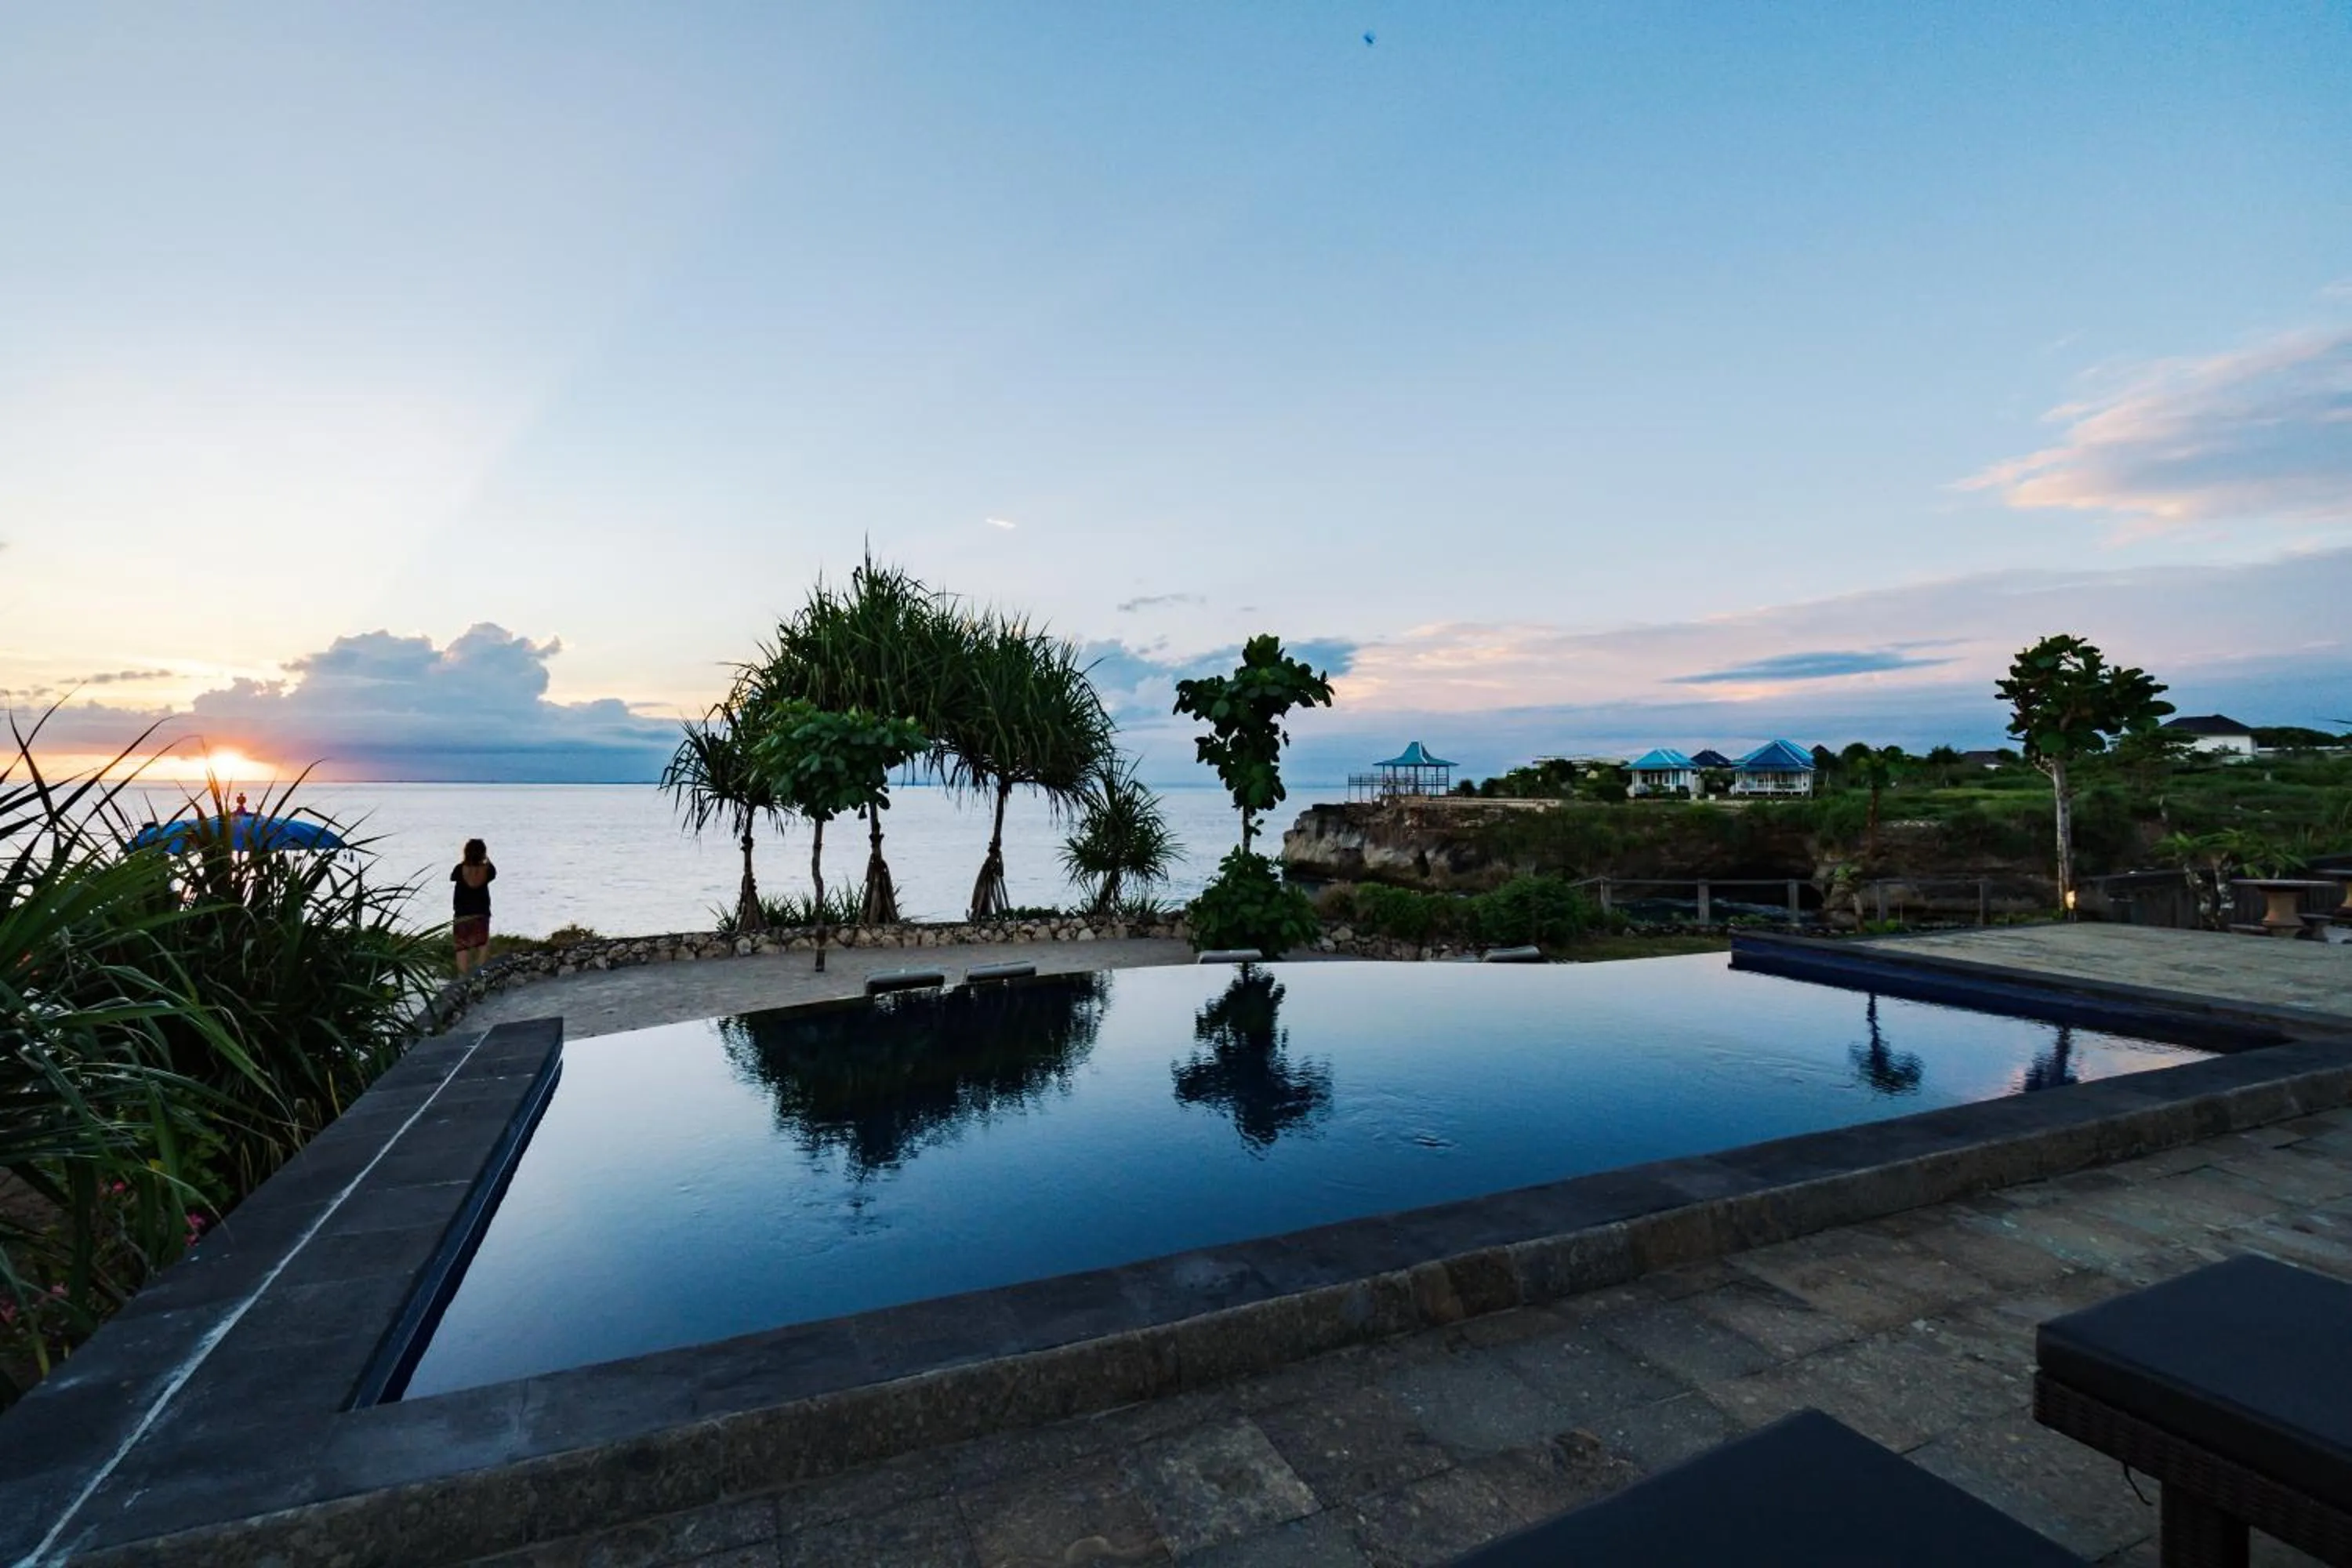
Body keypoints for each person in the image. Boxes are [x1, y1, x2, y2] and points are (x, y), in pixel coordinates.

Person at [452, 838, 497, 976]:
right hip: (481, 912)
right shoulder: (488, 870)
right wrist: (486, 860)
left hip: (462, 912)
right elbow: (494, 872)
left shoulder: (459, 869)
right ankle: (480, 975)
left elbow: (453, 877)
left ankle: (462, 977)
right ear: (483, 853)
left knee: (461, 947)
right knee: (483, 943)